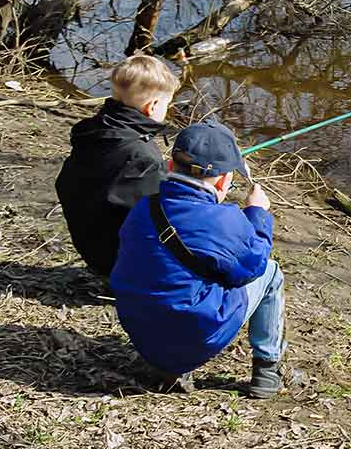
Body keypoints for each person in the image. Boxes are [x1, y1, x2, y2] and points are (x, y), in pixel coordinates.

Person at [110, 119, 285, 399]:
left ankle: (169, 363)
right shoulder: (226, 220)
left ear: (169, 166)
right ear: (224, 180)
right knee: (272, 274)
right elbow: (253, 268)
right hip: (195, 338)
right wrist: (258, 215)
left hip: (141, 332)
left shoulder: (144, 207)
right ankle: (267, 371)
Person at [55, 54, 180, 276]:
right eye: (166, 105)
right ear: (152, 107)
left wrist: (161, 172)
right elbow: (162, 217)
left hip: (90, 245)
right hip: (119, 263)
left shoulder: (93, 132)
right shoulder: (140, 154)